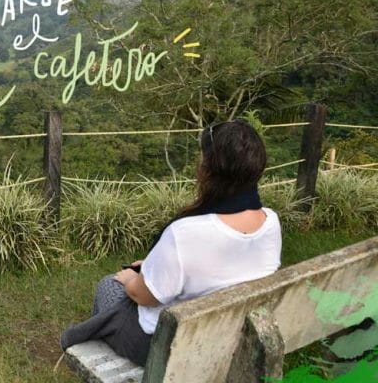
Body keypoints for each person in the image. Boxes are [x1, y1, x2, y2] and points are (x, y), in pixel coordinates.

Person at [60, 118, 282, 367]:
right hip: (234, 336)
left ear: (208, 170)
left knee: (109, 287)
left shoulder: (185, 233)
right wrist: (154, 266)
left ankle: (99, 360)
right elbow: (218, 268)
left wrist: (131, 280)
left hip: (170, 348)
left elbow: (143, 296)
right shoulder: (270, 222)